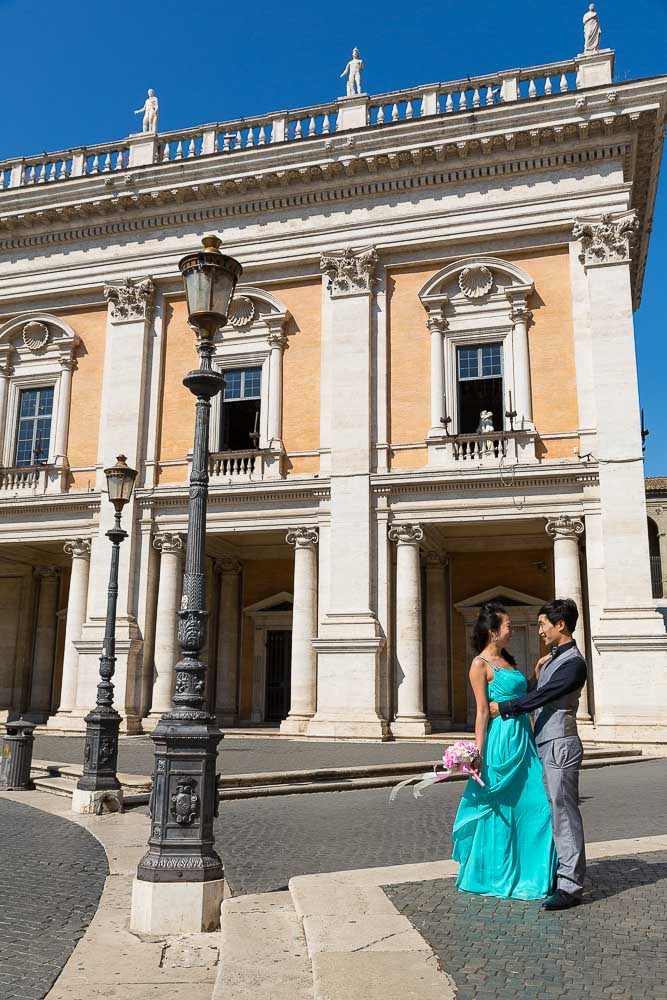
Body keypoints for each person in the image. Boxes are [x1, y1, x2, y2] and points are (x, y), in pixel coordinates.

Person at [452, 602, 557, 900]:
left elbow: (525, 697)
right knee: (499, 811)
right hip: (502, 742)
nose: (512, 628)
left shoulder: (508, 659)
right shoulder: (479, 664)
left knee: (539, 806)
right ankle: (494, 874)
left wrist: (535, 672)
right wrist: (477, 753)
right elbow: (483, 712)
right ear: (494, 632)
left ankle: (533, 872)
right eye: (508, 625)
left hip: (524, 739)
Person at [489, 598, 587, 911]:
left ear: (561, 625)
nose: (540, 630)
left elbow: (544, 696)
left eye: (544, 624)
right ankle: (559, 873)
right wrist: (535, 671)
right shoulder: (554, 660)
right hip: (547, 742)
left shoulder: (573, 663)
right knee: (553, 812)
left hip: (560, 743)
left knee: (564, 813)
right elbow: (537, 690)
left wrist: (505, 708)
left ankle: (570, 887)